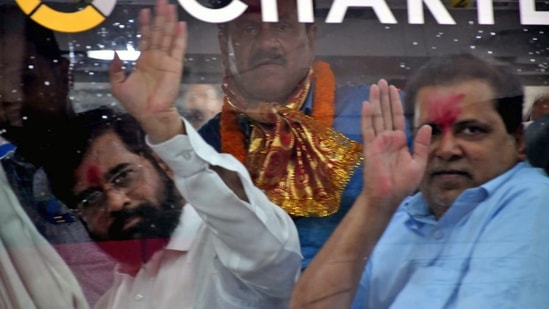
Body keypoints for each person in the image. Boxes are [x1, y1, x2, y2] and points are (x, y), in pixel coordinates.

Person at [44, 0, 301, 307]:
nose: (115, 201)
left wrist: (166, 127)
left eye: (124, 176)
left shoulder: (227, 252)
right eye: (90, 198)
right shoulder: (116, 297)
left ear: (163, 164)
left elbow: (268, 252)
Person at [291, 54, 549, 308]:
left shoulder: (535, 202)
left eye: (471, 130)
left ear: (518, 141)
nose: (446, 149)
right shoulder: (407, 214)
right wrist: (375, 200)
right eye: (431, 132)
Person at [199, 0, 374, 268]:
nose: (267, 43)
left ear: (310, 37)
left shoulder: (371, 116)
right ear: (225, 45)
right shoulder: (204, 148)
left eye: (283, 26)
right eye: (248, 29)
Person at [0, 5, 113, 305]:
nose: (10, 100)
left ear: (64, 74)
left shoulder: (122, 163)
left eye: (25, 80)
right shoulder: (6, 187)